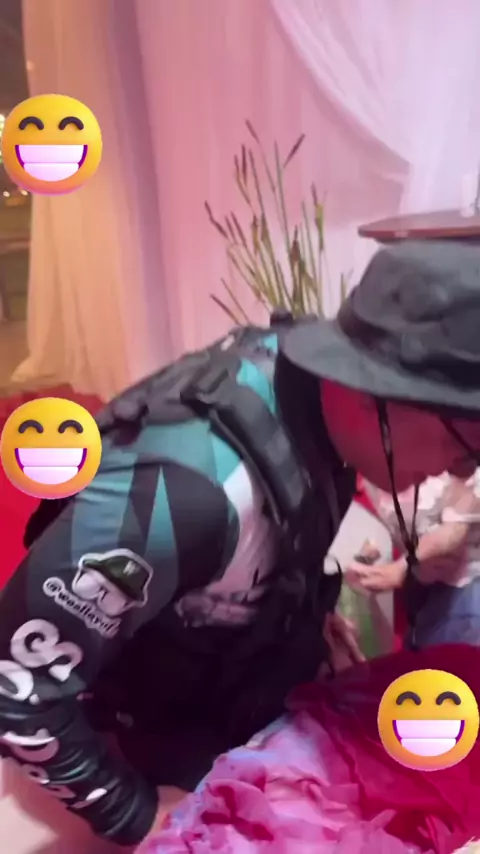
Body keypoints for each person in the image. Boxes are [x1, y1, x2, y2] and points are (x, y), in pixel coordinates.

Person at [1, 240, 480, 849]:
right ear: (372, 392)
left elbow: (274, 537)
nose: (464, 472)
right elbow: (15, 685)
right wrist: (135, 813)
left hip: (242, 696)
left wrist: (308, 617)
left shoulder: (313, 389)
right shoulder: (188, 495)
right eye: (465, 442)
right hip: (129, 744)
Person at [347, 472, 480, 647]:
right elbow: (388, 522)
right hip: (421, 582)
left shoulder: (463, 464)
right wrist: (366, 559)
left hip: (467, 583)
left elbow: (454, 532)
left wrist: (401, 568)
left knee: (447, 654)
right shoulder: (367, 474)